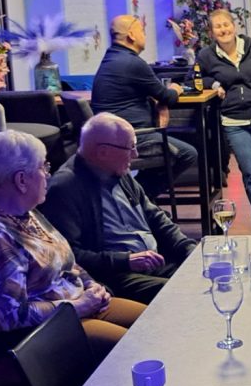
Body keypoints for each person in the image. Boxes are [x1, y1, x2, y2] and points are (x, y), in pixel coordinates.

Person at [0, 130, 145, 359]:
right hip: (27, 339)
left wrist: (92, 287)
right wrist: (79, 306)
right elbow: (10, 317)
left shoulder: (24, 211)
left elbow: (66, 260)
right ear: (21, 180)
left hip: (71, 308)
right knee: (137, 348)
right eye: (43, 167)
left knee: (155, 323)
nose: (48, 175)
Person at [41, 113, 198, 303]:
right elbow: (70, 256)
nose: (135, 154)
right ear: (103, 152)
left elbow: (155, 217)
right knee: (186, 293)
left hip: (155, 261)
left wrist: (187, 248)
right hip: (116, 274)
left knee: (210, 274)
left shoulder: (116, 170)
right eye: (130, 147)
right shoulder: (65, 188)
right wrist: (125, 260)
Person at [195, 9, 251, 235]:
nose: (223, 29)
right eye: (218, 26)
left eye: (226, 24)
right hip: (234, 121)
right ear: (211, 32)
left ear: (234, 26)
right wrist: (214, 84)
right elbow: (195, 78)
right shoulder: (206, 55)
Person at [90, 13, 198, 193]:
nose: (145, 35)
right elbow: (168, 97)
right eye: (142, 30)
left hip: (109, 136)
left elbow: (152, 95)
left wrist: (158, 102)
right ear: (131, 35)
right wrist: (176, 88)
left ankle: (137, 198)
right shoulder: (133, 63)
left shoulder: (111, 58)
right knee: (188, 154)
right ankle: (138, 198)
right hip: (134, 136)